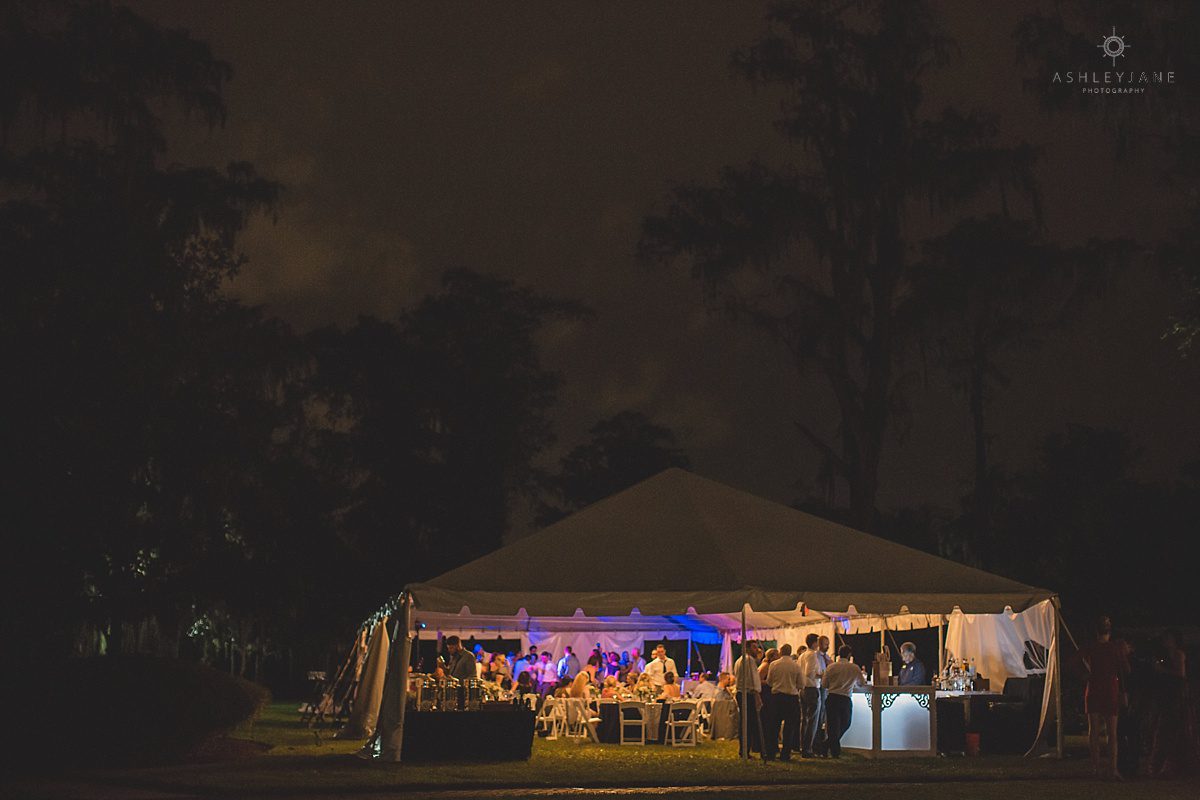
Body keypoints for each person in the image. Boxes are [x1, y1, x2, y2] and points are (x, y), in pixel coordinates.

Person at [1072, 615, 1131, 780]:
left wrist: (1085, 675)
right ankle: (1110, 769)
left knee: (1095, 732)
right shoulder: (1113, 647)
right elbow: (1126, 670)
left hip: (1097, 688)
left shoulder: (1092, 647)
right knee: (1110, 733)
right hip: (1107, 689)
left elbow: (1074, 662)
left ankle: (1097, 768)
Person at [1149, 629, 1196, 777]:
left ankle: (1170, 766)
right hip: (1167, 696)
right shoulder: (1165, 656)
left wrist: (1162, 670)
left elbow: (1181, 675)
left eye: (1168, 638)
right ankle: (1162, 765)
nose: (1165, 641)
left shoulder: (1178, 654)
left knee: (1173, 729)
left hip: (1177, 696)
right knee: (1165, 729)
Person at [823, 645, 867, 758]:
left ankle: (826, 747)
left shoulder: (831, 667)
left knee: (833, 726)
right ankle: (833, 751)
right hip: (845, 698)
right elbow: (862, 683)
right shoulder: (854, 668)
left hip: (832, 698)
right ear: (849, 655)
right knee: (846, 723)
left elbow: (824, 684)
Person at [766, 643, 803, 761]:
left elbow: (769, 681)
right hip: (791, 698)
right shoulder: (796, 666)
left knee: (774, 726)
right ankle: (785, 754)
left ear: (781, 652)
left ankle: (771, 752)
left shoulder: (774, 664)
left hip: (776, 698)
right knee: (789, 727)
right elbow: (801, 684)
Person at [734, 640, 765, 758]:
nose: (756, 649)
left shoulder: (740, 660)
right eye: (754, 647)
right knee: (749, 723)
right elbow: (753, 679)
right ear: (747, 648)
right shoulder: (748, 660)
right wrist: (757, 694)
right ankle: (745, 750)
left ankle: (745, 749)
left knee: (746, 722)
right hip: (748, 693)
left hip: (743, 692)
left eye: (757, 647)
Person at [798, 632, 825, 758]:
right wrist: (821, 675)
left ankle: (802, 745)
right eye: (818, 642)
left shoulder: (802, 655)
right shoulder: (812, 655)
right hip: (812, 688)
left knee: (804, 719)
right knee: (812, 720)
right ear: (814, 643)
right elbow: (809, 672)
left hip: (803, 689)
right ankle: (807, 749)